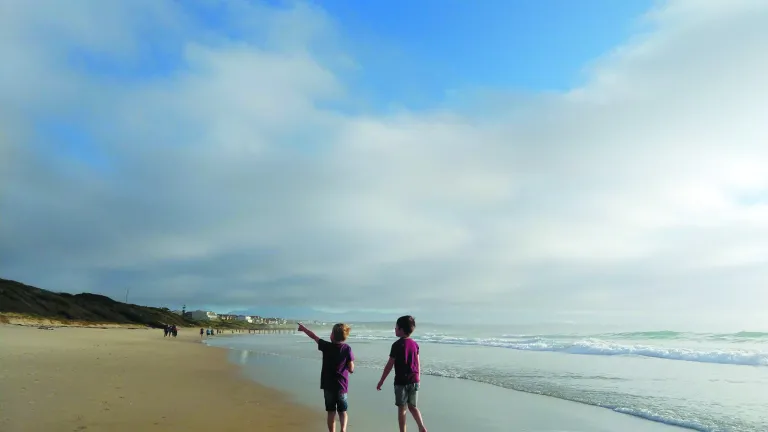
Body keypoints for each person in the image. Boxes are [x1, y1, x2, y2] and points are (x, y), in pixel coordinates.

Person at [298, 322, 355, 432]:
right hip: (341, 386)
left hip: (328, 386)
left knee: (331, 411)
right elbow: (351, 368)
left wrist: (304, 329)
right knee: (343, 411)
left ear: (332, 335)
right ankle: (343, 430)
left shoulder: (326, 346)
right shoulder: (347, 348)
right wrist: (349, 368)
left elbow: (314, 336)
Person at [377, 315, 427, 432]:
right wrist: (418, 378)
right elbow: (418, 363)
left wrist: (381, 380)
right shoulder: (415, 345)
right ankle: (421, 426)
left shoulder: (396, 345)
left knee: (402, 409)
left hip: (401, 382)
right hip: (414, 379)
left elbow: (389, 365)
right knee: (412, 407)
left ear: (401, 329)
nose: (395, 329)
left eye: (396, 327)